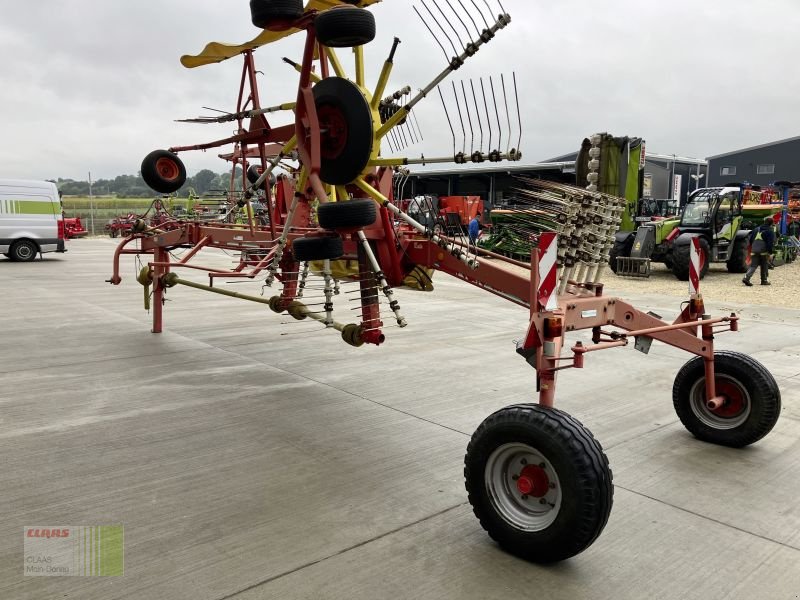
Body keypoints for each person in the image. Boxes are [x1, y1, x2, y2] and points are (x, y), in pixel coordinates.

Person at [742, 216, 776, 286]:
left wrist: (753, 248)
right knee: (764, 265)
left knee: (753, 266)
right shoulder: (770, 231)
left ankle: (746, 278)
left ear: (764, 222)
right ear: (771, 223)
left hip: (754, 250)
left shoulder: (756, 229)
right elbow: (770, 243)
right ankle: (764, 280)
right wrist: (770, 252)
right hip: (763, 252)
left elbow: (751, 240)